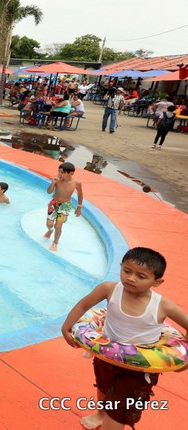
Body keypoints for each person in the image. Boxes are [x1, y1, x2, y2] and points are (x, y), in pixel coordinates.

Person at [60, 247, 188, 430]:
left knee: (119, 410)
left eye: (141, 276)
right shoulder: (109, 289)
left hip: (139, 366)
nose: (131, 278)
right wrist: (66, 326)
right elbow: (83, 305)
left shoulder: (163, 306)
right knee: (104, 386)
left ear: (157, 282)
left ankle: (110, 420)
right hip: (107, 354)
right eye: (127, 271)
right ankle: (100, 414)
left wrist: (184, 355)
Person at [44, 162, 83, 252]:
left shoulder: (76, 183)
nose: (59, 174)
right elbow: (49, 192)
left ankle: (55, 242)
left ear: (71, 173)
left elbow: (80, 194)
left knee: (58, 226)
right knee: (49, 224)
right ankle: (50, 231)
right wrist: (53, 183)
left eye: (62, 172)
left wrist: (79, 207)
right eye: (59, 171)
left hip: (65, 206)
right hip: (54, 204)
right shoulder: (57, 180)